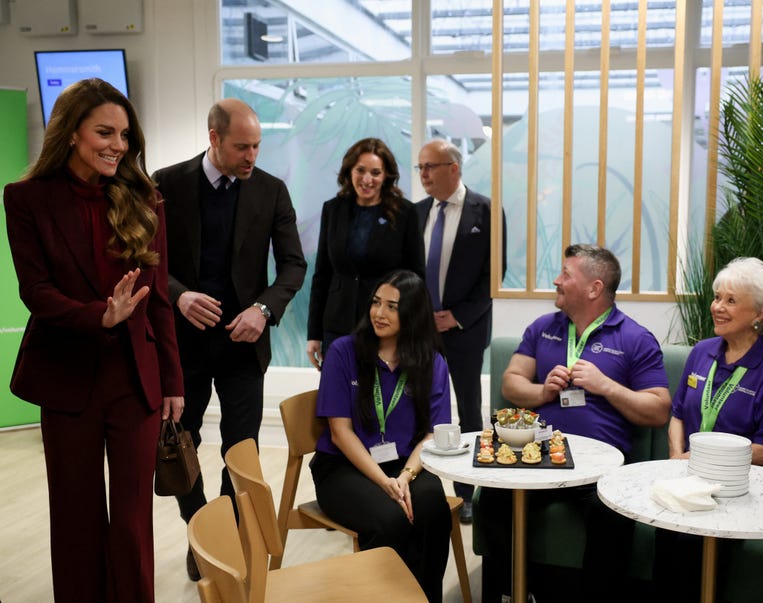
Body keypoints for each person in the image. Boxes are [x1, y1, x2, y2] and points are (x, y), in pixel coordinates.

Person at [3, 78, 184, 602]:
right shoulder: (26, 199)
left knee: (131, 522)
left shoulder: (146, 199)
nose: (118, 146)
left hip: (135, 381)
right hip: (67, 379)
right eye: (105, 132)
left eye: (124, 135)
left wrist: (173, 380)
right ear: (71, 133)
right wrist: (99, 317)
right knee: (76, 520)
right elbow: (35, 291)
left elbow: (160, 300)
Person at [153, 98, 307, 581]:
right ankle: (200, 530)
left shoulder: (271, 190)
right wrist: (178, 296)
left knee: (241, 448)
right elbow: (146, 258)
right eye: (242, 147)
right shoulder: (165, 184)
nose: (251, 156)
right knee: (180, 443)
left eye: (257, 146)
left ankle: (226, 533)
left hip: (244, 343)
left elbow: (293, 265)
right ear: (214, 138)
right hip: (183, 344)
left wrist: (263, 310)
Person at [482, 244, 672, 601]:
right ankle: (513, 593)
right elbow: (511, 382)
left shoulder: (635, 338)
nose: (556, 281)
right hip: (540, 454)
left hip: (601, 465)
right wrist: (542, 391)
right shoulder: (543, 328)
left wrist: (606, 386)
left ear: (594, 288)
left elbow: (659, 409)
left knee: (611, 513)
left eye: (566, 275)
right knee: (494, 497)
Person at [658, 256, 763, 602]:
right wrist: (677, 457)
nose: (717, 307)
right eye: (717, 297)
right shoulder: (702, 352)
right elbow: (677, 414)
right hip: (686, 482)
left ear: (759, 313)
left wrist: (706, 460)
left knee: (689, 546)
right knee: (666, 535)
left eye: (731, 300)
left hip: (736, 491)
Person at [310, 270, 452, 602]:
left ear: (413, 313)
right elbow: (340, 433)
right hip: (343, 467)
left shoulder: (431, 362)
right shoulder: (343, 352)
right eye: (376, 303)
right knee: (391, 519)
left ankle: (425, 598)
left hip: (406, 464)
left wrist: (404, 477)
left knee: (434, 510)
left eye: (392, 306)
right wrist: (385, 482)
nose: (379, 313)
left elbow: (431, 434)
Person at [414, 139, 505, 523]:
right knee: (419, 409)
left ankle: (468, 494)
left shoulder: (487, 211)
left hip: (465, 330)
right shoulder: (416, 212)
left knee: (468, 411)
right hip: (421, 331)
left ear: (453, 168)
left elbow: (494, 275)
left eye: (430, 167)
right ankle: (419, 489)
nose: (423, 174)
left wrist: (459, 316)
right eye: (420, 167)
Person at [306, 137, 425, 369]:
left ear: (386, 176)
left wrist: (413, 330)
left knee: (378, 389)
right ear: (349, 171)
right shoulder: (333, 209)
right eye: (360, 170)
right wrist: (314, 334)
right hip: (337, 325)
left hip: (385, 326)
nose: (367, 179)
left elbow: (416, 278)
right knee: (338, 388)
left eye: (375, 172)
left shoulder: (405, 213)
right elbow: (322, 275)